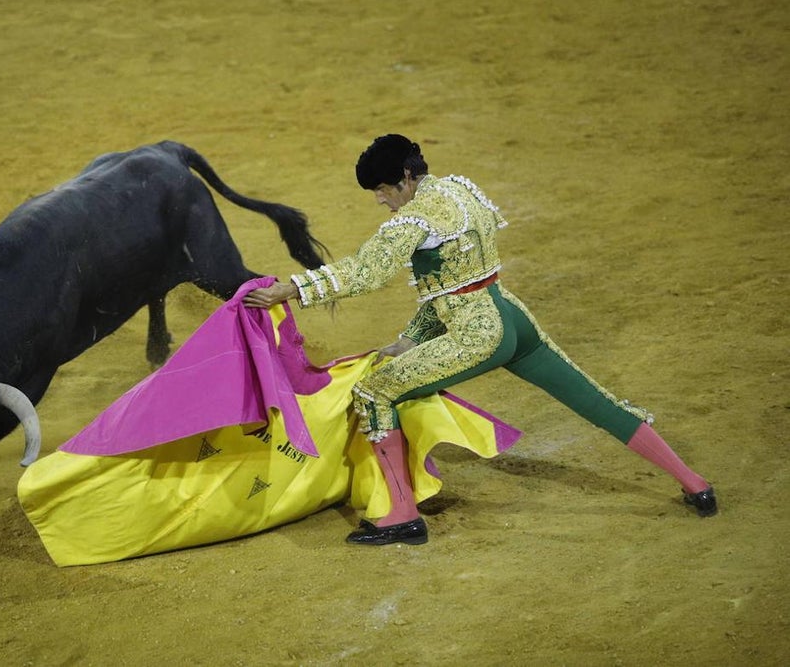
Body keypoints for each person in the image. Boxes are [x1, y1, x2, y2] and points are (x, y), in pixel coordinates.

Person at [243, 134, 717, 546]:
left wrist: (295, 288)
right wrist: (413, 338)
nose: (382, 200)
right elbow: (455, 278)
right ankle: (695, 483)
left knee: (375, 391)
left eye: (385, 189)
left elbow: (368, 271)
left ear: (406, 178)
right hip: (511, 317)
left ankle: (401, 516)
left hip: (477, 333)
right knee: (593, 399)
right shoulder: (457, 190)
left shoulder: (414, 220)